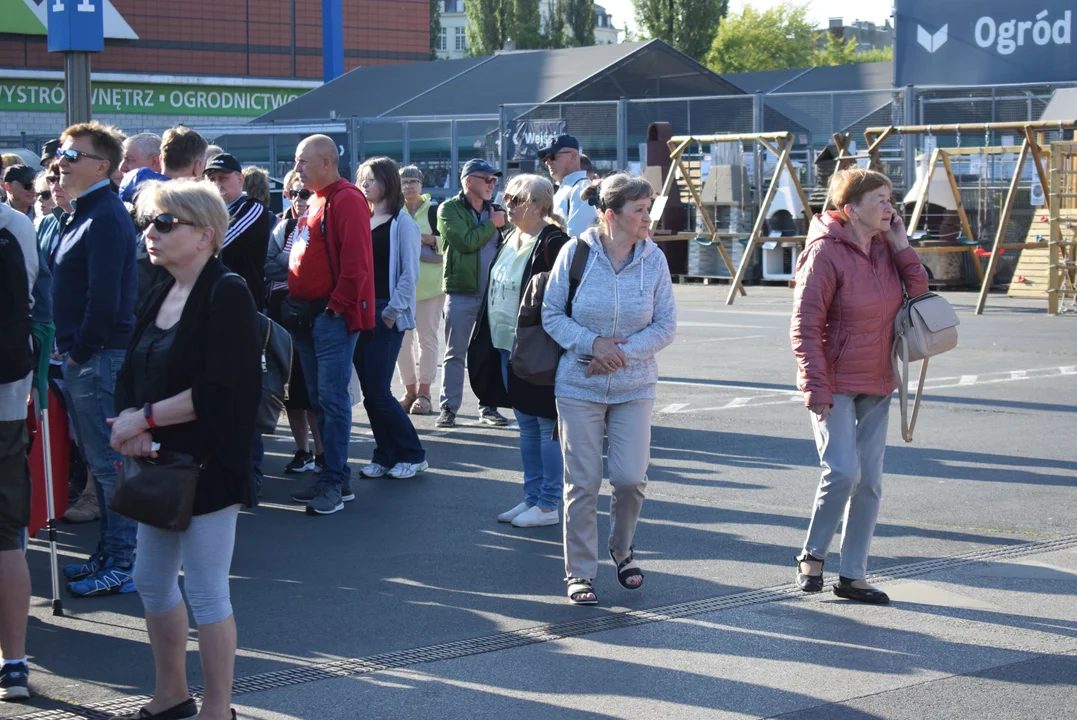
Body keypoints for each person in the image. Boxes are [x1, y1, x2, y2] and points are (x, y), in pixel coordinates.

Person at [109, 178, 260, 720]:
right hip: (160, 461)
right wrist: (135, 423)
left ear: (205, 235)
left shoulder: (227, 291)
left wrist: (142, 419)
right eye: (148, 222)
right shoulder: (161, 287)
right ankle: (171, 694)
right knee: (150, 579)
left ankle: (219, 709)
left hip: (209, 464)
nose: (152, 232)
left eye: (165, 223)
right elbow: (132, 369)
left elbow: (220, 390)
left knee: (206, 591)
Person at [790, 168, 929, 605]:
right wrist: (815, 385)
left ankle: (853, 575)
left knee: (869, 481)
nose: (890, 208)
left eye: (892, 199)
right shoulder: (824, 253)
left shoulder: (888, 247)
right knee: (843, 472)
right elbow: (805, 325)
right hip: (833, 380)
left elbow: (921, 293)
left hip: (878, 379)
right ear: (851, 210)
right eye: (881, 201)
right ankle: (812, 554)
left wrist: (903, 246)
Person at [541, 173, 676, 606]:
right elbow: (551, 314)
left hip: (634, 386)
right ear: (609, 215)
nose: (647, 217)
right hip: (578, 384)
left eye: (648, 207)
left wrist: (622, 354)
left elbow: (666, 324)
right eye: (639, 210)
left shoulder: (654, 259)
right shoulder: (574, 253)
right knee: (582, 483)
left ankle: (622, 548)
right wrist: (593, 345)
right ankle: (580, 573)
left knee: (630, 478)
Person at [51, 122, 140, 597]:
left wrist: (80, 351)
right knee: (102, 462)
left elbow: (106, 299)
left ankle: (123, 562)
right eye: (62, 154)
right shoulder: (86, 211)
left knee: (110, 464)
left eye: (71, 155)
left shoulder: (104, 214)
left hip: (100, 357)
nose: (60, 163)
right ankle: (110, 553)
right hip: (89, 356)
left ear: (101, 166)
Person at [468, 174, 570, 528]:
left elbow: (566, 297)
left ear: (538, 205)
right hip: (504, 345)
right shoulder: (510, 236)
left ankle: (548, 503)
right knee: (526, 426)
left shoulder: (554, 242)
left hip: (536, 349)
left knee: (545, 427)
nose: (506, 205)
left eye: (516, 199)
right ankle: (532, 497)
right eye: (507, 198)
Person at [287, 134, 374, 515]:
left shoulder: (346, 198)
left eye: (302, 161)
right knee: (322, 399)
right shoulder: (318, 198)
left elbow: (357, 264)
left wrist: (335, 308)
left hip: (328, 316)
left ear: (325, 162)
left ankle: (334, 480)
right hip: (310, 314)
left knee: (332, 399)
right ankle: (332, 474)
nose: (296, 168)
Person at [353, 157, 427, 479]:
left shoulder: (402, 223)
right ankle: (385, 453)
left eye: (372, 179)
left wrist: (390, 313)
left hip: (384, 312)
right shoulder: (361, 217)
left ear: (387, 181)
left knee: (380, 392)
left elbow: (410, 274)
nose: (365, 184)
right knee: (371, 394)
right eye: (362, 179)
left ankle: (413, 453)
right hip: (359, 312)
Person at [435, 159, 510, 429]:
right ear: (468, 181)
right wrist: (492, 224)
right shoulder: (448, 209)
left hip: (493, 296)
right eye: (486, 179)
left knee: (488, 352)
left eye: (494, 180)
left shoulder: (497, 211)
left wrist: (498, 221)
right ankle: (448, 408)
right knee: (455, 353)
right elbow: (465, 243)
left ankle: (488, 407)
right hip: (461, 292)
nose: (492, 184)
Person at [0, 201, 38, 702]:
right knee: (6, 534)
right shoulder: (14, 223)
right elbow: (29, 298)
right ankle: (14, 663)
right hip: (7, 394)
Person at [264, 171, 323, 474]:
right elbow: (268, 265)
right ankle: (303, 451)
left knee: (310, 389)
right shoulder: (282, 226)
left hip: (309, 314)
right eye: (294, 194)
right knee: (289, 391)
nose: (300, 200)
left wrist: (290, 264)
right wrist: (295, 263)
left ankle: (323, 454)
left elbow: (315, 266)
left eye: (305, 193)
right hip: (280, 313)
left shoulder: (321, 225)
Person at [395, 165, 443, 416]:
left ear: (422, 184)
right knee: (402, 343)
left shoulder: (435, 211)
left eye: (414, 181)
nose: (409, 186)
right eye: (404, 182)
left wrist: (430, 239)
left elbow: (448, 244)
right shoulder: (393, 211)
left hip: (430, 287)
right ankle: (409, 390)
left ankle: (424, 393)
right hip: (400, 288)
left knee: (427, 340)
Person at [204, 153, 271, 310]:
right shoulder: (209, 210)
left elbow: (220, 241)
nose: (216, 184)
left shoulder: (252, 207)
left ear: (240, 179)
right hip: (214, 298)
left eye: (223, 178)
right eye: (212, 179)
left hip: (245, 301)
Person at [539, 134, 597, 238]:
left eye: (552, 156)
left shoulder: (581, 188)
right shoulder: (564, 188)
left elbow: (578, 241)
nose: (547, 162)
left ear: (573, 157)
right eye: (545, 158)